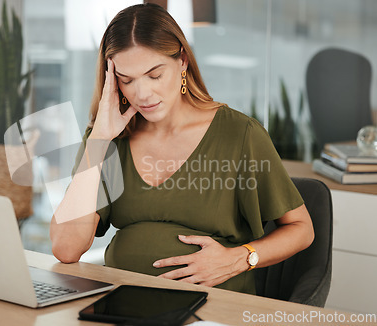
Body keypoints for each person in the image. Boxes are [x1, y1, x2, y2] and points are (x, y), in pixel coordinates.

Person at [50, 3, 314, 295]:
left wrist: (240, 258)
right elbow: (66, 249)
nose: (142, 94)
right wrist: (98, 139)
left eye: (154, 75)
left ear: (182, 61)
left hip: (214, 304)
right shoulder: (109, 140)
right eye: (127, 80)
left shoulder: (240, 135)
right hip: (120, 300)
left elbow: (302, 229)